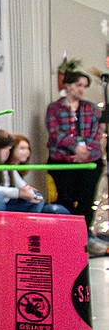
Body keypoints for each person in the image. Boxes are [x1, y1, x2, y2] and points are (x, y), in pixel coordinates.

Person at [46, 70, 106, 243]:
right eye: (78, 85)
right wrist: (75, 147)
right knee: (65, 198)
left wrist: (84, 151)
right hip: (63, 161)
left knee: (87, 200)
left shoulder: (91, 109)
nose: (81, 89)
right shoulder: (55, 108)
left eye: (84, 86)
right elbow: (55, 133)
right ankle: (67, 236)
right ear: (68, 85)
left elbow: (96, 134)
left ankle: (84, 235)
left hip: (88, 162)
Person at [0, 130, 69, 215]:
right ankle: (0, 228)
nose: (8, 153)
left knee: (36, 198)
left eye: (10, 149)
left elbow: (22, 185)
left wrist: (29, 192)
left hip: (9, 202)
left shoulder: (5, 163)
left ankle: (27, 229)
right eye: (6, 149)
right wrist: (17, 193)